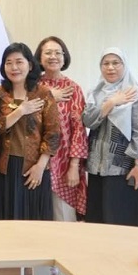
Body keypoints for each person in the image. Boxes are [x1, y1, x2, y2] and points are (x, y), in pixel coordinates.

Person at [0, 43, 62, 227]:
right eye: (8, 62)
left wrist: (41, 166)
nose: (14, 67)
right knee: (5, 221)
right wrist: (20, 111)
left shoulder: (43, 93)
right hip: (4, 167)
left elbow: (53, 133)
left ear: (30, 65)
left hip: (33, 166)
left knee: (33, 222)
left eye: (19, 62)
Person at [81, 48, 138, 227]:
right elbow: (88, 121)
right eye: (106, 63)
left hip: (122, 168)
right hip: (95, 167)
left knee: (119, 220)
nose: (110, 67)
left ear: (124, 65)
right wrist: (111, 102)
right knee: (97, 220)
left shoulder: (136, 94)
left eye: (116, 63)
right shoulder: (95, 93)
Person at [36, 36, 88, 221]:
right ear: (39, 57)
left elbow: (79, 130)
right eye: (48, 53)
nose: (53, 56)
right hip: (34, 163)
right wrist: (49, 97)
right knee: (36, 218)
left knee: (63, 218)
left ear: (64, 57)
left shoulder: (73, 88)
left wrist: (74, 166)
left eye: (58, 53)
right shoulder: (32, 86)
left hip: (64, 164)